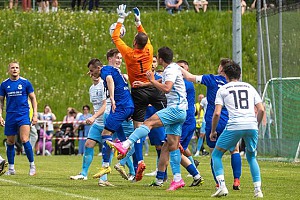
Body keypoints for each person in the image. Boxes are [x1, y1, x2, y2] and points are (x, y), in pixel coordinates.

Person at [108, 46, 188, 191]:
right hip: (182, 110)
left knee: (148, 123)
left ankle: (125, 145)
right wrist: (146, 83)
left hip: (175, 109)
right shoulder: (175, 67)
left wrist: (151, 79)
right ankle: (178, 179)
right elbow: (186, 78)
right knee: (172, 145)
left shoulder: (169, 70)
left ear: (161, 59)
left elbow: (167, 88)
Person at [111, 5, 167, 182]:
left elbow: (115, 37)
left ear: (134, 43)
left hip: (138, 91)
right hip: (153, 89)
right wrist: (138, 21)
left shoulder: (129, 53)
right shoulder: (149, 49)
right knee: (170, 116)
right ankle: (176, 143)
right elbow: (144, 35)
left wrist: (120, 18)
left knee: (138, 128)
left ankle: (140, 159)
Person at [181, 58, 242, 190]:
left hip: (213, 120)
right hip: (230, 120)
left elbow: (190, 77)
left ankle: (218, 182)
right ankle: (236, 179)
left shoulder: (211, 79)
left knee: (214, 152)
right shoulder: (233, 83)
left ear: (221, 68)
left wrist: (173, 66)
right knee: (234, 150)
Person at [209, 61, 264, 198]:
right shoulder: (250, 87)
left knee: (216, 155)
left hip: (234, 125)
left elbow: (216, 113)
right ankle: (258, 190)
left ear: (225, 75)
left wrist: (213, 131)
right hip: (251, 125)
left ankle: (222, 186)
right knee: (251, 157)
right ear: (239, 74)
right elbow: (261, 109)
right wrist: (255, 126)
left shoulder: (223, 89)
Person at [87, 55, 134, 180]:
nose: (91, 74)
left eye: (92, 71)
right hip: (125, 106)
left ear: (98, 68)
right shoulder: (107, 69)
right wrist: (93, 73)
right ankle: (119, 152)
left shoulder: (105, 72)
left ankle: (110, 163)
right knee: (112, 135)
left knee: (106, 134)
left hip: (121, 106)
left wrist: (112, 98)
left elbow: (109, 80)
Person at [70, 68, 114, 186]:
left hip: (106, 122)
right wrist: (95, 118)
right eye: (90, 71)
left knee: (107, 149)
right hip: (98, 123)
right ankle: (83, 174)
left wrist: (93, 117)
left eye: (95, 71)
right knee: (88, 144)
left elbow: (105, 105)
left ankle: (104, 177)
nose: (93, 74)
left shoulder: (104, 85)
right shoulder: (91, 88)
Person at [0, 61, 37, 176]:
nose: (14, 69)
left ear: (19, 70)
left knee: (24, 139)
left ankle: (32, 166)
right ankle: (11, 168)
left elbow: (33, 99)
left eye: (16, 67)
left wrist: (35, 114)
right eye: (12, 68)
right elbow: (1, 101)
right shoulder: (4, 84)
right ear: (9, 70)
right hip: (10, 115)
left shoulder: (25, 83)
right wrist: (0, 115)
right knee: (10, 142)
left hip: (23, 115)